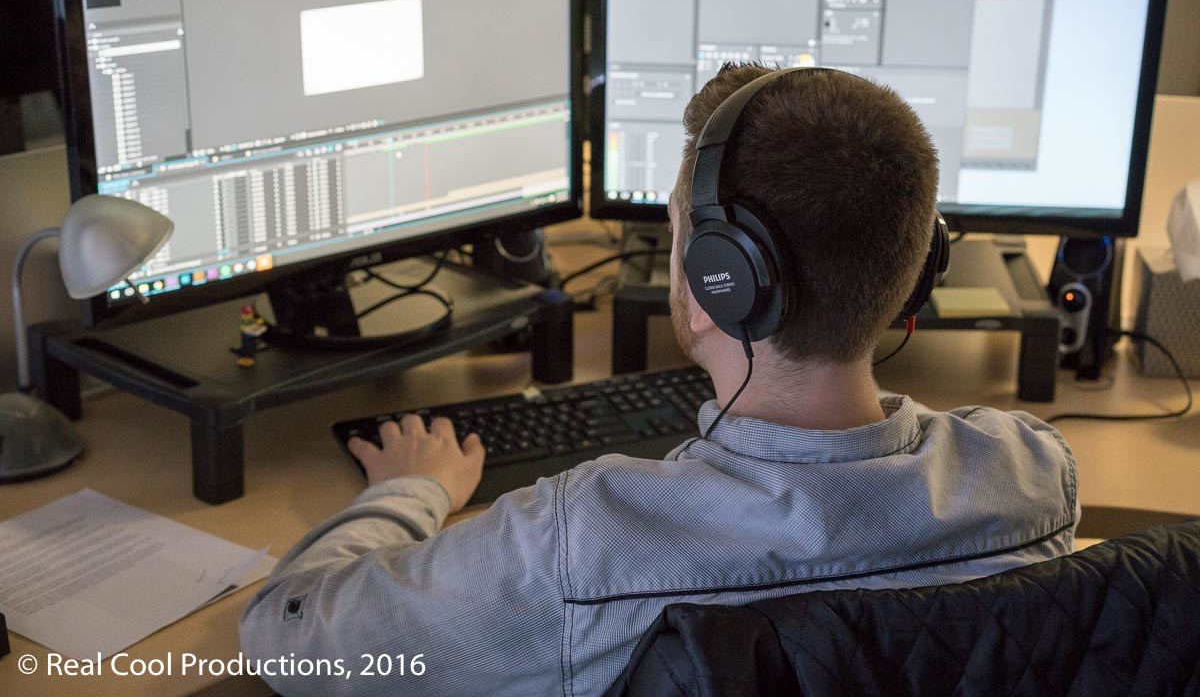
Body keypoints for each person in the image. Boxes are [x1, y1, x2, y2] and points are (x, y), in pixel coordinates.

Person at [239, 65, 1079, 696]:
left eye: (678, 232)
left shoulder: (582, 545)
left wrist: (407, 492)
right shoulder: (1030, 475)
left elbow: (287, 638)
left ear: (721, 279)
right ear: (918, 271)